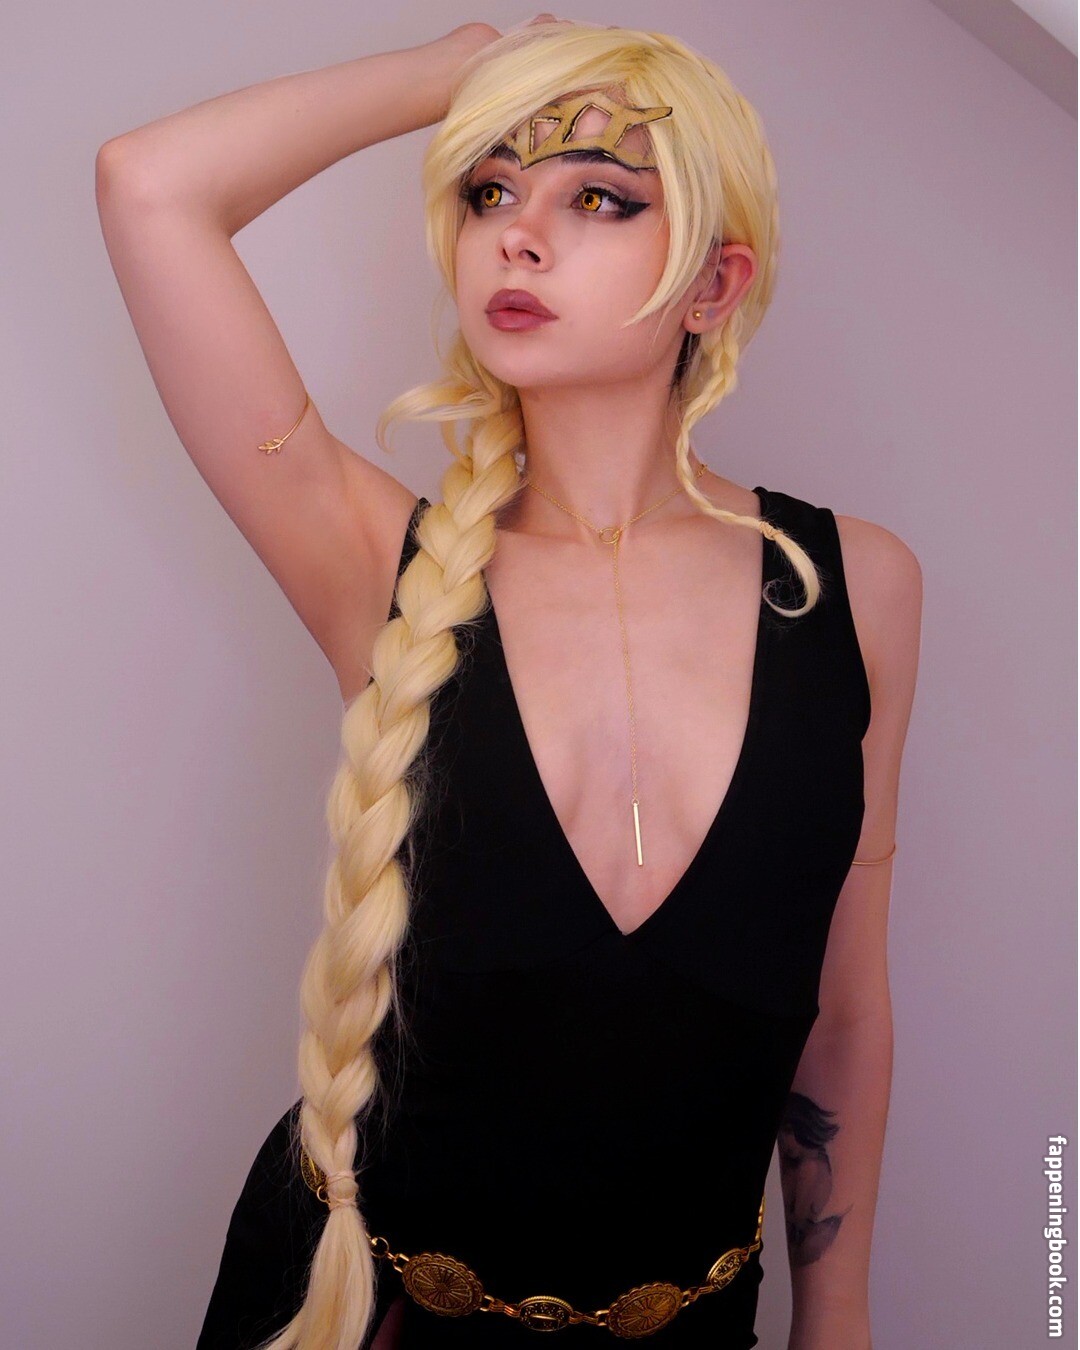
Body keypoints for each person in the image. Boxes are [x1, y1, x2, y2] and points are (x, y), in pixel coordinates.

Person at [96, 15, 922, 1350]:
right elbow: (150, 184)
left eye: (598, 196)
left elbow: (844, 1000)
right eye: (489, 191)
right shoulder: (379, 559)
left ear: (715, 286)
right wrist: (457, 68)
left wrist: (840, 1312)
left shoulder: (853, 586)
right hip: (360, 1312)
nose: (518, 236)